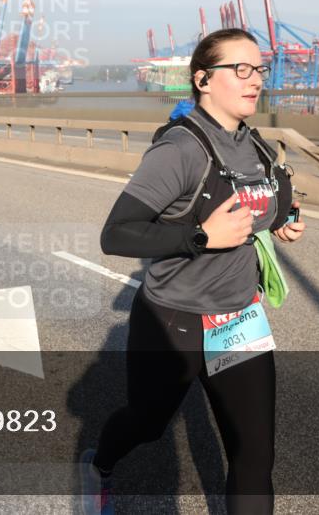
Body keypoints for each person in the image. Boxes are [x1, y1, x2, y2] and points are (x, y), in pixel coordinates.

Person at [82, 28, 306, 515]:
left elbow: (272, 196)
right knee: (146, 424)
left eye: (259, 70)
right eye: (240, 70)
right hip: (173, 321)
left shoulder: (260, 148)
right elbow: (116, 233)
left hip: (238, 320)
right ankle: (100, 462)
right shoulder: (181, 150)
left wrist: (282, 220)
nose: (255, 81)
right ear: (203, 79)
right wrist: (201, 237)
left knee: (254, 456)